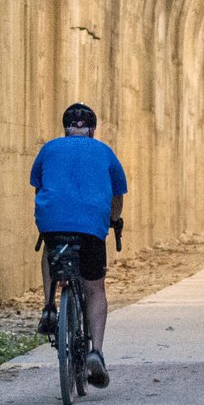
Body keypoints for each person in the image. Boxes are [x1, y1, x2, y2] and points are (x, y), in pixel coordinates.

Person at [30, 102, 127, 389]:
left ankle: (49, 306)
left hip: (53, 222)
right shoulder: (105, 152)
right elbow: (117, 196)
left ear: (66, 128)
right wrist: (112, 219)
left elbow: (39, 185)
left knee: (50, 251)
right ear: (93, 130)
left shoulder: (49, 148)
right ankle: (96, 350)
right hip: (91, 227)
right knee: (95, 288)